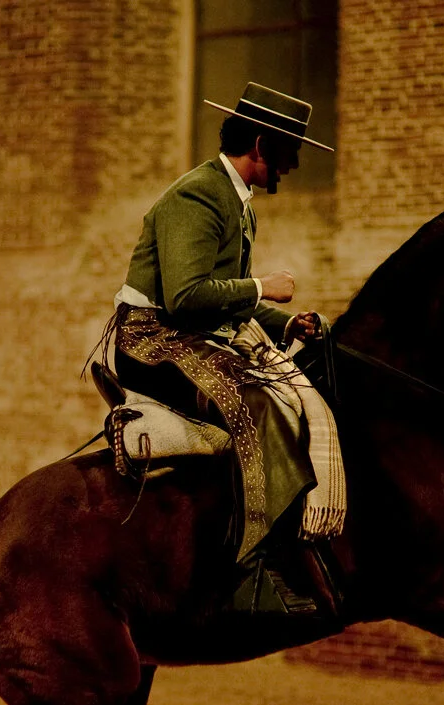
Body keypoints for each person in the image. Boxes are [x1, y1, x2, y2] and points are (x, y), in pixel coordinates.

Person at [106, 82, 342, 615]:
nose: (295, 163)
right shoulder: (198, 194)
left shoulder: (236, 199)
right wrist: (263, 286)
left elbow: (224, 302)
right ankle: (255, 564)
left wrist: (286, 323)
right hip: (149, 341)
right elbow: (187, 296)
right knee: (257, 405)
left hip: (186, 334)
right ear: (260, 144)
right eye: (290, 150)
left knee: (285, 390)